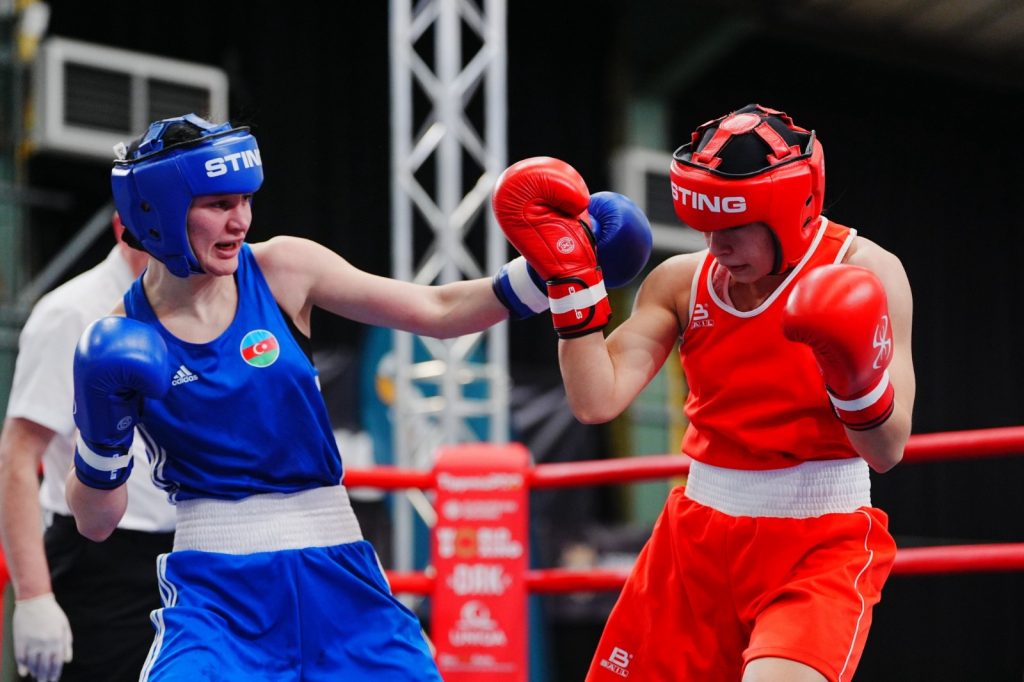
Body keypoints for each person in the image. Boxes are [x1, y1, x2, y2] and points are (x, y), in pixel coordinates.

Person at [63, 113, 651, 681]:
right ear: (161, 211)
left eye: (244, 200)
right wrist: (100, 441)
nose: (240, 220)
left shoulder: (281, 268)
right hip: (217, 596)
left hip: (338, 569)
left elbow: (438, 309)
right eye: (219, 205)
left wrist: (550, 271)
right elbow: (95, 523)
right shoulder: (120, 341)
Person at [493, 104, 915, 682]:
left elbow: (887, 450)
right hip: (695, 538)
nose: (718, 245)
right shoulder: (681, 280)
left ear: (793, 210)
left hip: (818, 543)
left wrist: (853, 376)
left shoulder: (867, 272)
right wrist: (572, 285)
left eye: (735, 227)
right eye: (707, 226)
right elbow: (596, 400)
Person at [0, 214, 176, 682]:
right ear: (126, 226)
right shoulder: (71, 313)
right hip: (97, 562)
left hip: (189, 554)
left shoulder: (202, 302)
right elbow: (17, 454)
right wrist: (34, 595)